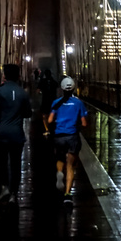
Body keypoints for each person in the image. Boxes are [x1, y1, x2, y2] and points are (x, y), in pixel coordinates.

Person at [0, 63, 31, 205]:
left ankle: (4, 187)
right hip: (17, 133)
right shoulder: (22, 92)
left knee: (2, 162)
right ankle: (14, 193)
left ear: (4, 76)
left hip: (1, 132)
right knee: (16, 164)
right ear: (18, 76)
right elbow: (28, 113)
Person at [47, 75, 88, 206]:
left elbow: (49, 120)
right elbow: (84, 123)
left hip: (59, 136)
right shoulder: (78, 103)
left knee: (60, 159)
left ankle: (59, 172)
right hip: (72, 137)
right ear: (73, 88)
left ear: (62, 88)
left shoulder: (56, 103)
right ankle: (67, 194)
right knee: (71, 165)